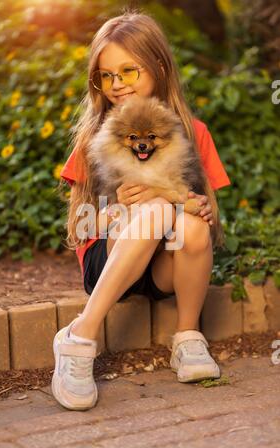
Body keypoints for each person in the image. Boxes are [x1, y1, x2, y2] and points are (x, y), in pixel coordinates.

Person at [52, 10, 231, 411]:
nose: (117, 85)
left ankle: (187, 338)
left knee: (190, 225)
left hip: (165, 268)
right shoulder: (96, 137)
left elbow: (206, 221)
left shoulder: (193, 132)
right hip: (110, 257)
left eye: (128, 71)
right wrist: (119, 209)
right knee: (154, 210)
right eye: (107, 75)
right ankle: (80, 337)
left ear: (159, 66)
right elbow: (83, 226)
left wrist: (190, 205)